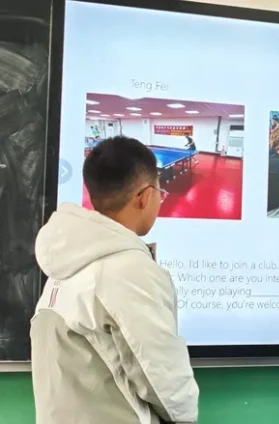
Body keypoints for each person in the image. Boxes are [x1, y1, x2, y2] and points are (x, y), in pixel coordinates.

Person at [31, 136, 199, 424]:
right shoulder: (129, 270)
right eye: (160, 192)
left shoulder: (65, 262)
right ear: (145, 196)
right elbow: (164, 381)